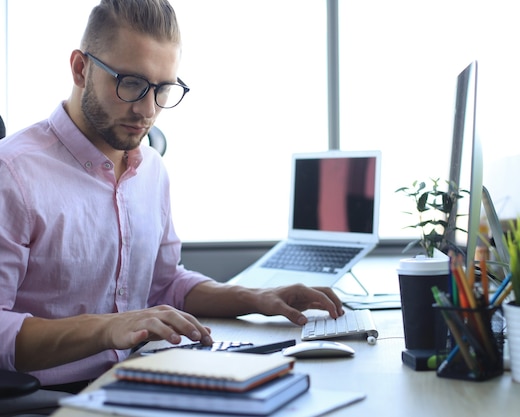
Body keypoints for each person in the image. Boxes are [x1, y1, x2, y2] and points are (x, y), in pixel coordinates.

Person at [0, 0, 344, 396]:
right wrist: (109, 327)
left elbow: (165, 285)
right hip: (50, 399)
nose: (147, 110)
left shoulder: (151, 171)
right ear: (80, 68)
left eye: (163, 89)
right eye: (130, 83)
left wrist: (256, 297)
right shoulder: (13, 174)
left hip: (141, 379)